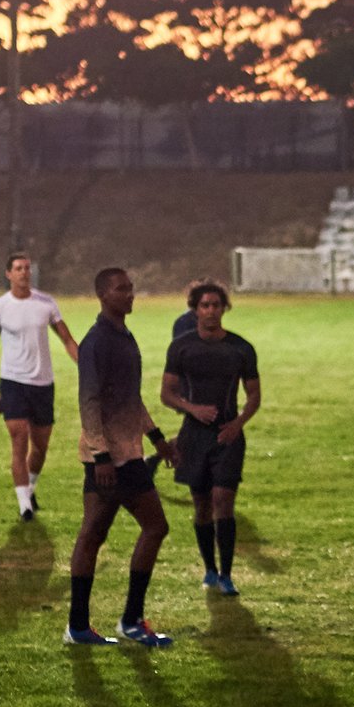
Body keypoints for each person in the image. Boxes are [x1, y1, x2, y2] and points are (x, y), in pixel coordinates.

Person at [66, 265, 178, 649]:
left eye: (130, 288)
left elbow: (130, 399)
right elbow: (89, 401)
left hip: (129, 453)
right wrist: (100, 457)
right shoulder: (96, 342)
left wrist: (157, 437)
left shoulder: (123, 336)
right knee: (127, 529)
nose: (129, 294)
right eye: (121, 289)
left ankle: (87, 625)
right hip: (110, 459)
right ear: (102, 295)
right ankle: (122, 621)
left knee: (101, 533)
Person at [160, 280, 262, 595]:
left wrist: (238, 423)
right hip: (194, 435)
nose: (211, 311)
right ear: (195, 309)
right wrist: (193, 409)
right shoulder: (182, 347)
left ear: (224, 308)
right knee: (202, 504)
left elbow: (254, 395)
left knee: (223, 500)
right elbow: (166, 394)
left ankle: (228, 575)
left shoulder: (241, 348)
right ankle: (210, 569)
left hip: (227, 436)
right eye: (205, 305)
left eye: (216, 305)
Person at [0, 253, 75, 517]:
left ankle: (29, 489)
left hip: (43, 384)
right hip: (13, 383)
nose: (24, 273)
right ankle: (24, 507)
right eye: (18, 268)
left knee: (40, 448)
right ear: (8, 274)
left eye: (27, 268)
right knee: (19, 440)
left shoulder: (46, 303)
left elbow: (67, 339)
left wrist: (86, 365)